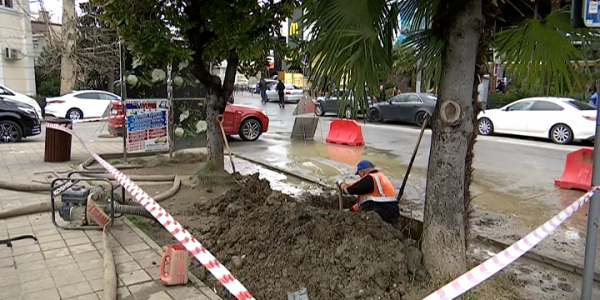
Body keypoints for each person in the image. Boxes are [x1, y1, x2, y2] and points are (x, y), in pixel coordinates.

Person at [339, 160, 400, 227]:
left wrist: (341, 185)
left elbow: (350, 190)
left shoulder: (370, 179)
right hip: (394, 215)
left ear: (362, 172)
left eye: (359, 174)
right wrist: (351, 209)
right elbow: (366, 201)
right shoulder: (380, 177)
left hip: (381, 215)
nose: (360, 177)